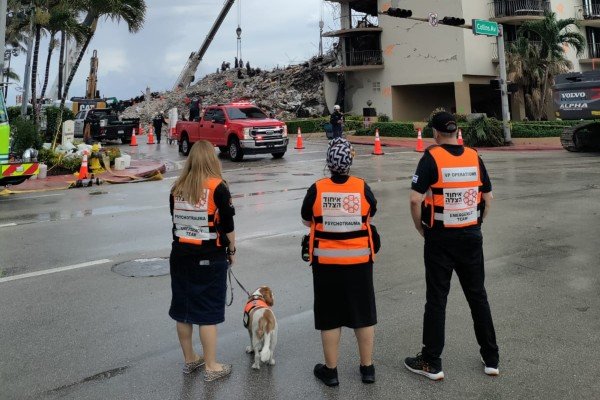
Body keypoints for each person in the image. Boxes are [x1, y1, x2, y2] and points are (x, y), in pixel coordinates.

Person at [405, 111, 499, 381]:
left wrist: (419, 227)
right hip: (471, 237)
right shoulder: (474, 156)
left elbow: (414, 199)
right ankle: (491, 357)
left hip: (440, 239)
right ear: (456, 132)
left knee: (437, 299)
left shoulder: (431, 157)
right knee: (477, 296)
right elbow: (489, 197)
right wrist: (477, 224)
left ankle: (431, 361)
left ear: (435, 133)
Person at [301, 138, 378, 386]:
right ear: (350, 162)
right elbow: (371, 212)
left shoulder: (317, 188)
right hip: (359, 263)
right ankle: (367, 369)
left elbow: (306, 219)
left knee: (330, 317)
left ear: (328, 163)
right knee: (363, 315)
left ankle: (331, 371)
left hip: (326, 266)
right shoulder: (362, 187)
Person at [169, 140, 236, 382]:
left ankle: (190, 360)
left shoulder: (176, 187)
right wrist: (232, 250)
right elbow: (227, 225)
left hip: (180, 256)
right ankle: (211, 366)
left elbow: (174, 223)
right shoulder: (218, 187)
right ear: (211, 159)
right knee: (207, 313)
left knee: (183, 310)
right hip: (209, 258)